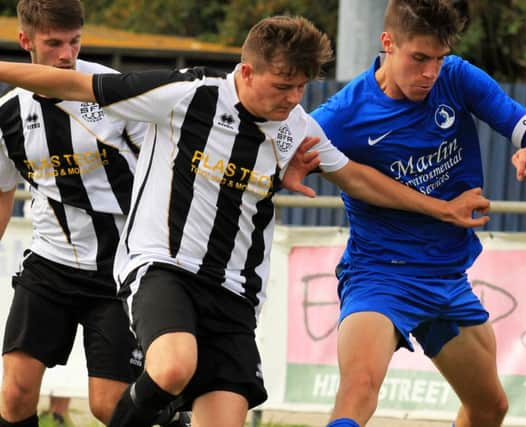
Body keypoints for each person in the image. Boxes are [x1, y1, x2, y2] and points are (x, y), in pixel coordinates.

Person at [0, 15, 492, 427]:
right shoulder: (185, 94)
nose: (293, 99)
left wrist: (442, 209)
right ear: (248, 72)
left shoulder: (295, 129)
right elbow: (75, 83)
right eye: (282, 86)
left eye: (301, 87)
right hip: (162, 266)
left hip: (233, 293)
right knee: (172, 366)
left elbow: (359, 179)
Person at [309, 1, 526, 427]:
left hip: (445, 279)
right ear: (387, 43)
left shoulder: (457, 78)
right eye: (419, 58)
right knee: (358, 391)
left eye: (439, 59)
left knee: (490, 407)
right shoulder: (341, 116)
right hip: (380, 276)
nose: (430, 73)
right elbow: (279, 150)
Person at [0, 1, 148, 426]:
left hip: (121, 269)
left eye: (74, 42)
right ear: (25, 41)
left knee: (109, 407)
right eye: (54, 43)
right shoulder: (9, 114)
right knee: (13, 396)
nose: (66, 55)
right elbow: (3, 194)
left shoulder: (114, 90)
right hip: (51, 265)